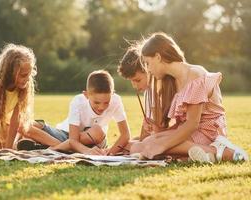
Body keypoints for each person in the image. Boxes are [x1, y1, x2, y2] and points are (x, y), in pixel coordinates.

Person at [128, 32, 248, 163]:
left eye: (147, 63)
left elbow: (192, 124)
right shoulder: (171, 81)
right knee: (137, 147)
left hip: (207, 132)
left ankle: (224, 152)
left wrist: (162, 145)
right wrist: (156, 134)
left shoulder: (195, 75)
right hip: (186, 131)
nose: (148, 69)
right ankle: (199, 155)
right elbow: (180, 125)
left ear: (157, 57)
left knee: (154, 146)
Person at [18, 70, 131, 155]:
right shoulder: (78, 101)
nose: (101, 107)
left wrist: (110, 153)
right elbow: (72, 139)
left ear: (113, 94)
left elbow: (125, 135)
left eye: (106, 103)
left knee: (97, 131)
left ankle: (51, 148)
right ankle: (60, 147)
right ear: (86, 95)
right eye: (96, 102)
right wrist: (86, 151)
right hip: (65, 134)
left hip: (92, 138)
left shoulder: (116, 101)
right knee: (24, 125)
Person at [0, 43, 48, 149]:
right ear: (10, 73)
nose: (27, 79)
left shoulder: (23, 87)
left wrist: (7, 149)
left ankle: (26, 142)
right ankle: (20, 142)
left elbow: (15, 120)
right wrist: (0, 145)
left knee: (8, 146)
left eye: (29, 74)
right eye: (23, 75)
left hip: (6, 121)